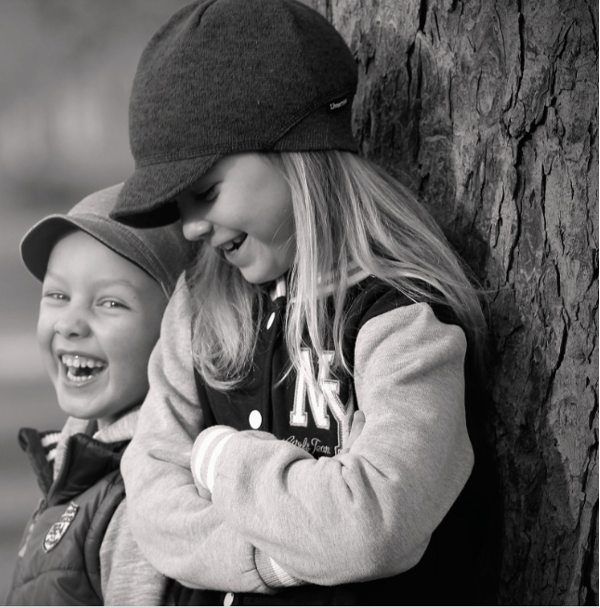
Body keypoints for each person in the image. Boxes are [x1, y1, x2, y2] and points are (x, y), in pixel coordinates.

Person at [110, 0, 494, 604]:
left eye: (204, 193)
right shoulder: (200, 306)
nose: (189, 230)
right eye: (177, 207)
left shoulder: (399, 320)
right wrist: (281, 556)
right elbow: (153, 501)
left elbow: (372, 527)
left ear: (297, 154)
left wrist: (216, 458)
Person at [5, 184, 196, 605]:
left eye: (110, 303)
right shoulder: (79, 463)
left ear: (176, 333)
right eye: (57, 295)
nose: (70, 324)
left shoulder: (142, 501)